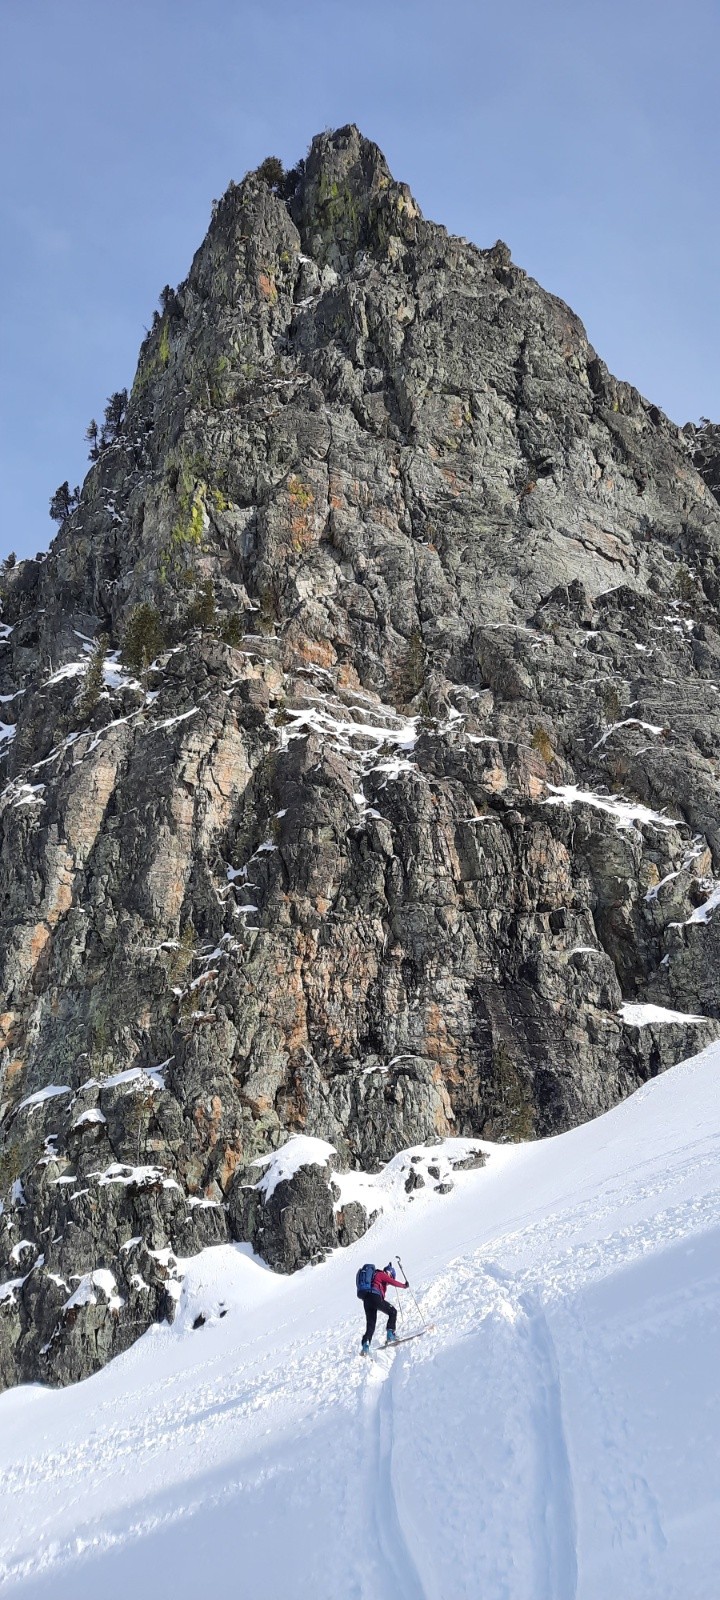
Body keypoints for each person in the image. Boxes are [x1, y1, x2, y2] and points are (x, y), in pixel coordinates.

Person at [360, 1262, 409, 1353]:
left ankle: (365, 1346)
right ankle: (390, 1335)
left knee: (371, 1325)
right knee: (393, 1311)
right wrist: (404, 1286)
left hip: (367, 1301)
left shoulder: (374, 1276)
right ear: (389, 1273)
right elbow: (392, 1282)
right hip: (375, 1297)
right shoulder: (381, 1274)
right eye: (391, 1276)